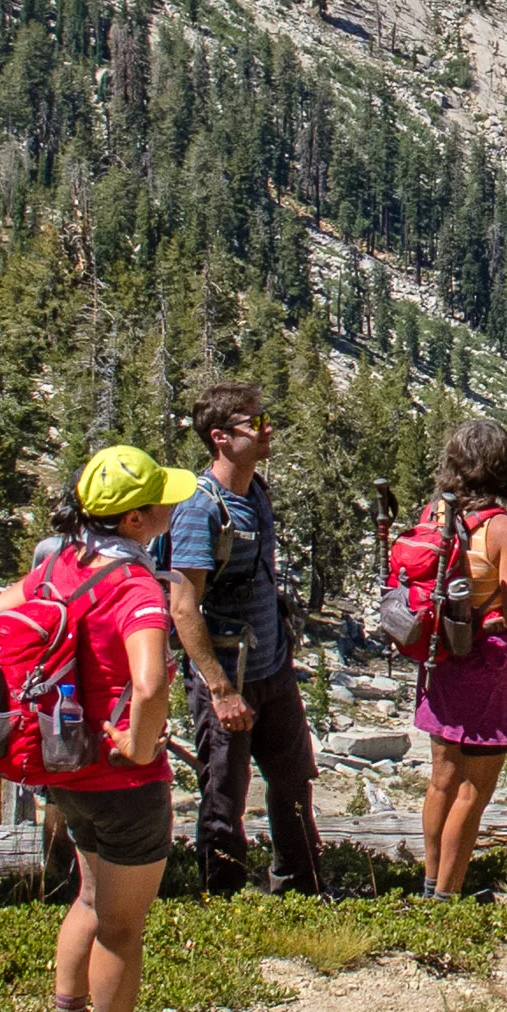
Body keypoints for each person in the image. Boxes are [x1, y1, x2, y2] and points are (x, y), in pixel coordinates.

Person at [0, 443, 192, 1012]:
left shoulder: (60, 565)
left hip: (64, 766)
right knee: (122, 927)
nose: (169, 506)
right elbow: (150, 684)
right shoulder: (134, 586)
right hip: (123, 780)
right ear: (134, 520)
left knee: (88, 897)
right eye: (159, 501)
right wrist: (140, 744)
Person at [158, 381, 324, 897]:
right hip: (228, 677)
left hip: (272, 666)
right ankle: (222, 897)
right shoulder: (199, 508)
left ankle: (302, 887)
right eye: (255, 422)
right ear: (220, 437)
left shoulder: (256, 492)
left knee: (293, 781)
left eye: (264, 418)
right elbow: (183, 606)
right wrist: (220, 689)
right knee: (224, 794)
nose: (267, 429)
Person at [410, 418, 507, 897]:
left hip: (439, 658)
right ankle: (449, 897)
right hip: (482, 666)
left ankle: (429, 885)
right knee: (474, 789)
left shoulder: (435, 515)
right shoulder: (504, 528)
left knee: (441, 780)